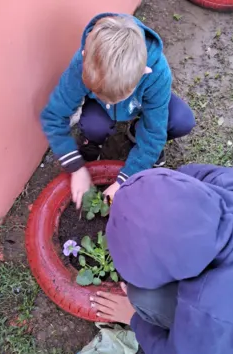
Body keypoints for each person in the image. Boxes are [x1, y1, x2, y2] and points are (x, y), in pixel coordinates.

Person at [91, 165, 233, 354]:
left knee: (144, 298)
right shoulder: (226, 182)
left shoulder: (212, 305)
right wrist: (132, 195)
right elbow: (180, 178)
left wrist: (135, 319)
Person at [40, 13, 196, 208]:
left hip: (141, 105)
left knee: (181, 120)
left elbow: (155, 133)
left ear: (143, 72)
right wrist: (76, 168)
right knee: (94, 125)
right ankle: (92, 142)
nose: (110, 101)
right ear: (84, 57)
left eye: (117, 97)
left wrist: (124, 180)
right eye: (100, 93)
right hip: (100, 110)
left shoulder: (157, 73)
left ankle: (136, 131)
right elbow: (53, 116)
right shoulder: (84, 63)